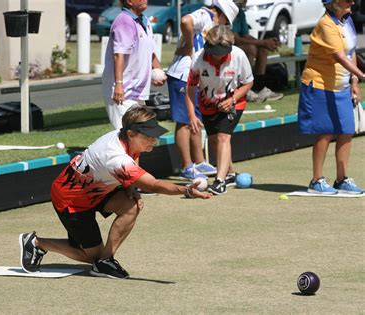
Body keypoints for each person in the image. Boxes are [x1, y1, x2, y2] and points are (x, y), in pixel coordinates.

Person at [19, 106, 211, 279]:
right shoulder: (115, 157)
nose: (154, 140)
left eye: (155, 134)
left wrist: (130, 187)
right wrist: (186, 190)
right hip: (71, 199)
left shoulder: (125, 139)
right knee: (88, 256)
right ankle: (36, 242)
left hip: (98, 190)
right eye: (148, 136)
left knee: (131, 207)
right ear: (131, 133)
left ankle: (105, 261)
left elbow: (130, 165)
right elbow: (152, 185)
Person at [166, 0, 239, 180]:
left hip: (195, 75)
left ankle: (199, 161)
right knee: (184, 121)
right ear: (221, 14)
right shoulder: (205, 14)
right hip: (182, 74)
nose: (224, 26)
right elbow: (185, 21)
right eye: (226, 21)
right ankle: (186, 166)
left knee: (196, 119)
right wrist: (189, 46)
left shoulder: (210, 18)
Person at [298, 0, 363, 194]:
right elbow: (339, 57)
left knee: (346, 130)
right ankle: (316, 180)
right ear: (334, 4)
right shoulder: (326, 25)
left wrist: (354, 81)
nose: (352, 1)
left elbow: (350, 53)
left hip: (341, 86)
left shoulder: (347, 20)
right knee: (325, 132)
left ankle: (341, 179)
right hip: (319, 84)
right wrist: (363, 75)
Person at [186, 25, 254, 195]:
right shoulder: (198, 59)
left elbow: (248, 82)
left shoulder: (239, 56)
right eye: (213, 51)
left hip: (233, 102)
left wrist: (232, 99)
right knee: (215, 140)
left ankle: (220, 181)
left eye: (220, 52)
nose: (216, 56)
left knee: (224, 137)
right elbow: (191, 88)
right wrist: (192, 116)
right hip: (207, 103)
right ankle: (230, 173)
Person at [102, 0, 165, 131]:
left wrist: (159, 71)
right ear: (129, 2)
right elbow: (118, 55)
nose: (145, 0)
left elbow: (150, 52)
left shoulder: (145, 20)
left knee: (139, 133)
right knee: (127, 132)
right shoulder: (124, 21)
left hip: (138, 89)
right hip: (122, 90)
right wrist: (119, 84)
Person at [231, 0, 284, 102]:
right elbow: (236, 39)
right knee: (250, 48)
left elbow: (245, 35)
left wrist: (264, 43)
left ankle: (260, 87)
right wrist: (263, 42)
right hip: (227, 47)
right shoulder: (230, 11)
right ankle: (244, 88)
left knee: (262, 49)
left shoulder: (240, 12)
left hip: (237, 46)